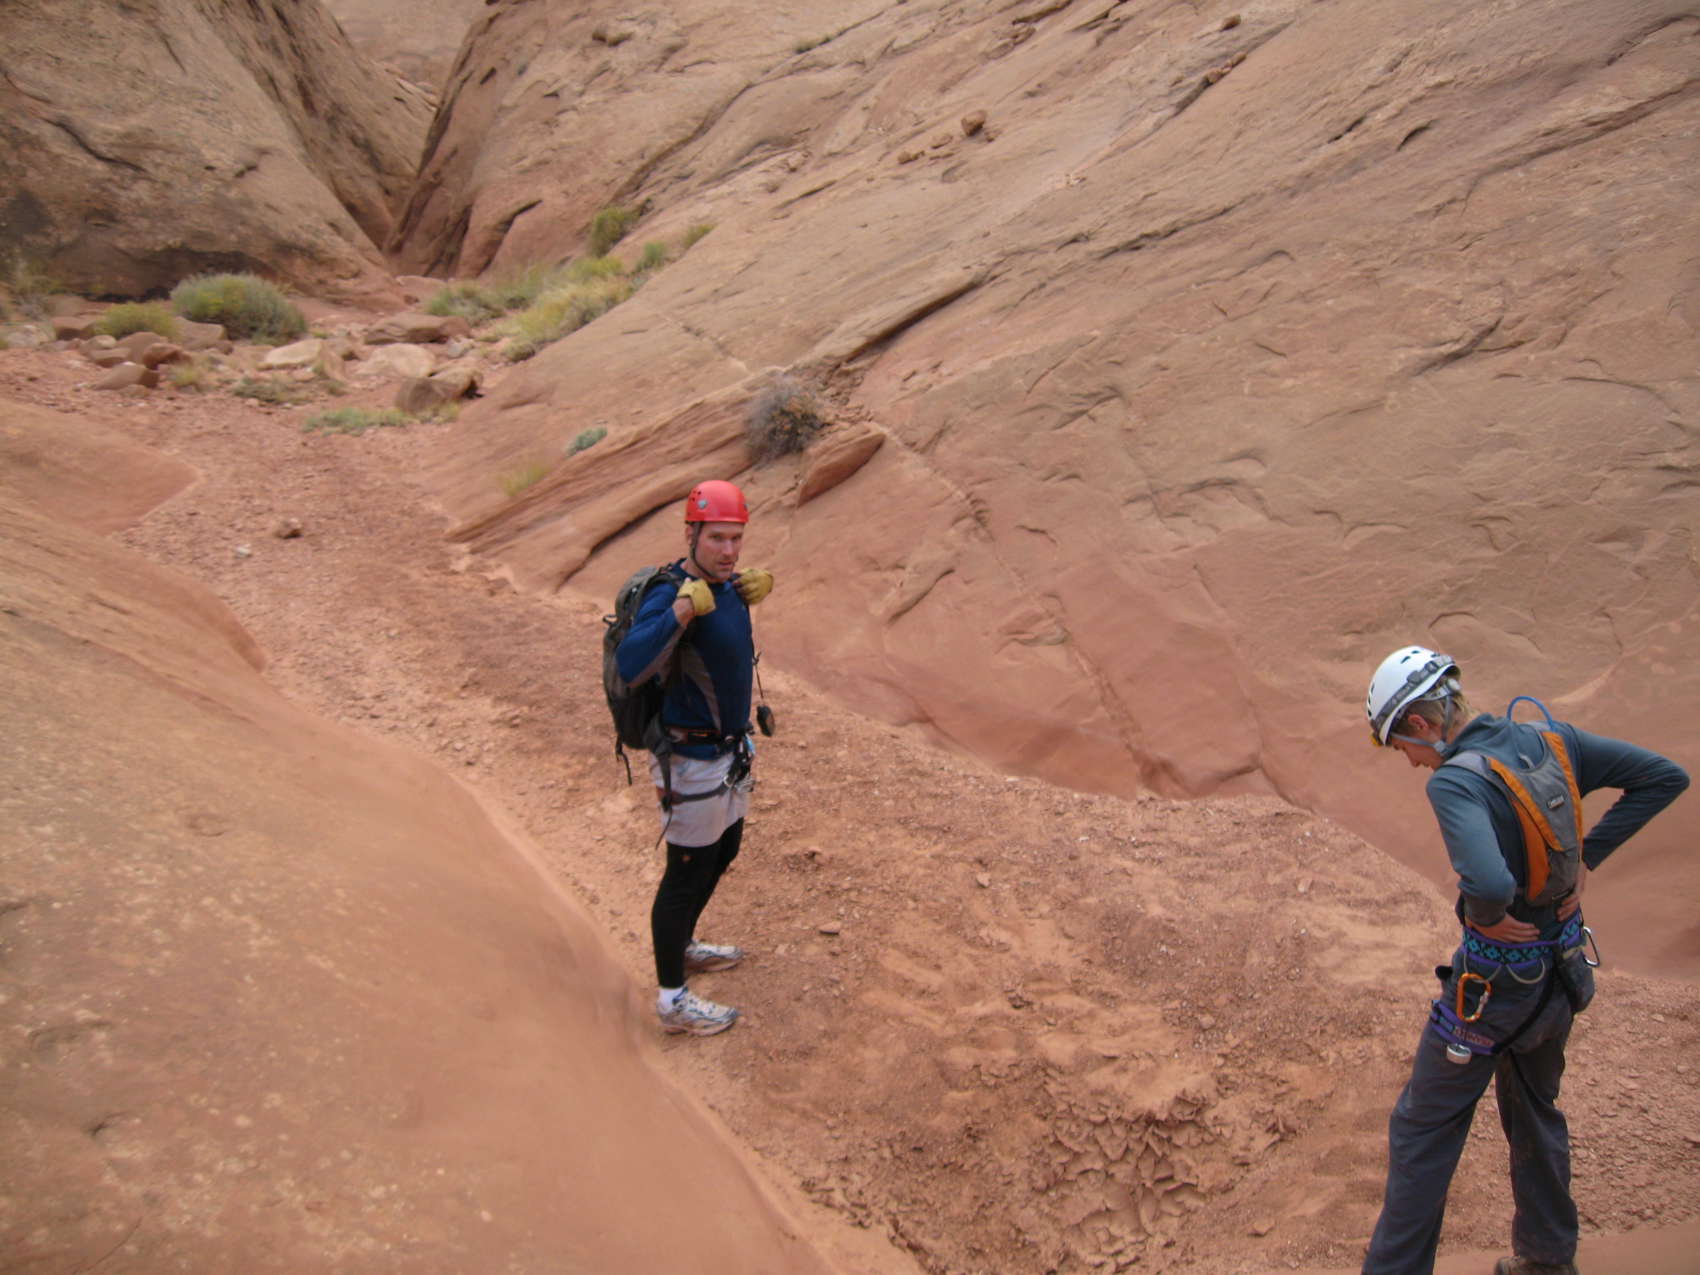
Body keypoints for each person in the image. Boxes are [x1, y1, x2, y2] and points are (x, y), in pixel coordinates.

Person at [1359, 645, 1688, 1275]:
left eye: (1400, 744)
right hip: (1560, 975)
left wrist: (1486, 916)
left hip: (1493, 989)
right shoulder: (1553, 741)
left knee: (1422, 1129)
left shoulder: (1455, 781)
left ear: (1421, 723)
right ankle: (1547, 1259)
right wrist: (1587, 858)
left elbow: (1486, 880)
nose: (1409, 760)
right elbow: (1663, 776)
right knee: (1535, 1112)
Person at [614, 479, 774, 1036]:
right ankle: (672, 1000)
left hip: (729, 752)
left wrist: (743, 593)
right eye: (716, 539)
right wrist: (681, 612)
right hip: (689, 759)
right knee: (684, 873)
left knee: (724, 849)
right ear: (691, 534)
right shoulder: (671, 592)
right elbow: (630, 666)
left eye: (736, 539)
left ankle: (681, 943)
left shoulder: (729, 587)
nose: (729, 551)